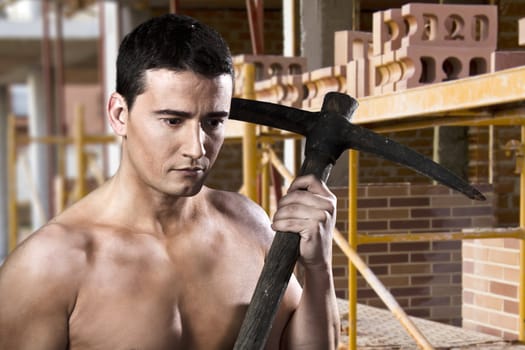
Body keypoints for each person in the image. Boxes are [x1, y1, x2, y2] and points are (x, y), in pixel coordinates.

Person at [0, 13, 340, 349]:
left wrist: (318, 268)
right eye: (173, 121)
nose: (197, 148)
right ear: (119, 115)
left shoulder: (249, 224)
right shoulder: (48, 267)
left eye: (213, 122)